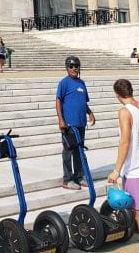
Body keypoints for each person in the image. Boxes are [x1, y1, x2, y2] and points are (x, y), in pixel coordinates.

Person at [106, 79, 139, 253]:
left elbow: (125, 141)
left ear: (117, 94)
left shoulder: (124, 111)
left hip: (134, 168)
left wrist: (116, 170)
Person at [56, 55, 95, 190]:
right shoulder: (64, 82)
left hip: (81, 123)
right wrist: (61, 120)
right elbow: (58, 100)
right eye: (71, 66)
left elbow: (83, 102)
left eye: (76, 66)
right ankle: (67, 179)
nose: (74, 69)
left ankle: (79, 176)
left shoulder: (81, 83)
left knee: (79, 151)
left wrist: (90, 113)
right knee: (68, 151)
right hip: (69, 124)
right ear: (67, 68)